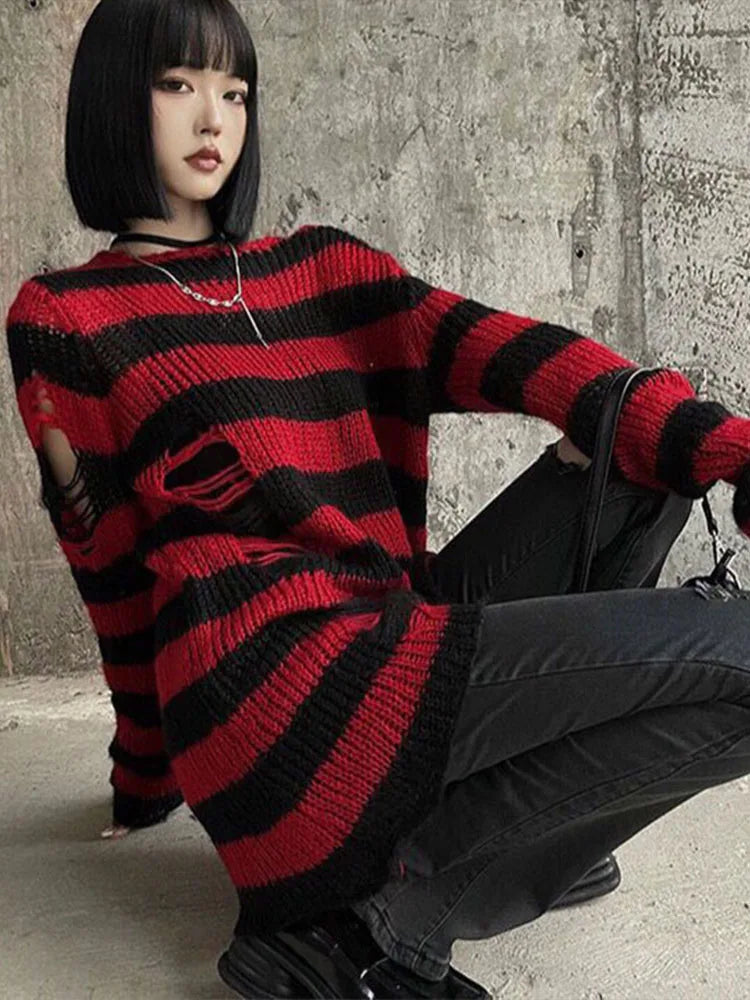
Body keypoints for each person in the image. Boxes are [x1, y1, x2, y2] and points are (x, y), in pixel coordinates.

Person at [5, 1, 750, 998]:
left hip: (383, 627)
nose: (213, 118)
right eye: (176, 85)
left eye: (234, 91)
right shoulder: (66, 317)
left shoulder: (325, 270)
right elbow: (107, 571)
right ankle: (379, 921)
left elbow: (521, 355)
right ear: (111, 103)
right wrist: (144, 774)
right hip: (269, 690)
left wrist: (732, 451)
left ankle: (515, 841)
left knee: (627, 431)